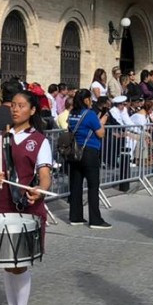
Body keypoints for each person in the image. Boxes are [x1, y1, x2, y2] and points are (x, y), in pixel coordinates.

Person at [0, 89, 53, 305]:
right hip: (2, 202)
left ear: (32, 111)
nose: (15, 109)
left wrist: (40, 192)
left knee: (19, 263)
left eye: (22, 106)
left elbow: (45, 174)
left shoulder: (40, 141)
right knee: (6, 262)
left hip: (26, 205)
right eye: (14, 105)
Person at [66, 89, 109, 228]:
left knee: (76, 185)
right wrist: (102, 121)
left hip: (74, 152)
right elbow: (100, 133)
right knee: (93, 186)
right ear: (86, 100)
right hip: (89, 151)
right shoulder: (89, 114)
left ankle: (75, 216)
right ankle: (95, 220)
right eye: (90, 99)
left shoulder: (72, 113)